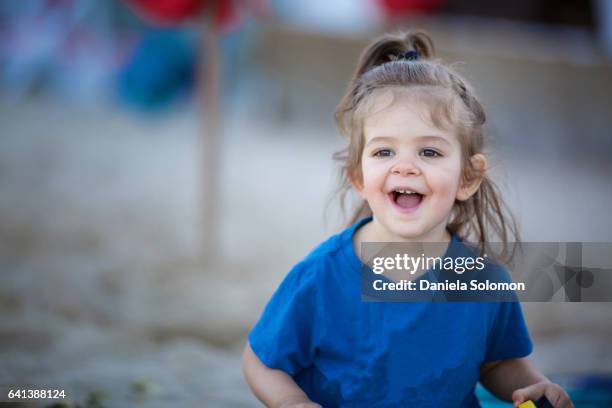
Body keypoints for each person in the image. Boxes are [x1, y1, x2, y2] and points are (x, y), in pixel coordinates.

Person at [242, 31, 573, 408]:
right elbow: (260, 361)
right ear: (359, 178)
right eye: (384, 151)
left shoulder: (482, 279)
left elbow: (498, 361)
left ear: (468, 177)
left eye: (429, 151)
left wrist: (534, 385)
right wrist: (293, 403)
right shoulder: (321, 277)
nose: (405, 166)